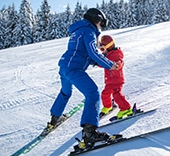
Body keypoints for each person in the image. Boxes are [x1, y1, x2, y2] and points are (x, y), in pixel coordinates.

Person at [47, 8, 120, 147]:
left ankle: (54, 119)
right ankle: (89, 133)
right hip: (74, 69)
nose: (100, 27)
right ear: (97, 20)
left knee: (65, 92)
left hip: (65, 67)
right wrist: (109, 64)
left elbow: (83, 53)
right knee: (92, 93)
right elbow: (92, 52)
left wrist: (99, 63)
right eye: (101, 24)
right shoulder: (88, 31)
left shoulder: (79, 30)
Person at [98, 35, 133, 119]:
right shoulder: (107, 54)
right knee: (105, 94)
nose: (102, 51)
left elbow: (120, 62)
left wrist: (117, 65)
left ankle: (126, 109)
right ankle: (108, 106)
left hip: (117, 80)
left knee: (116, 95)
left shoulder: (116, 54)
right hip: (109, 80)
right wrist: (97, 63)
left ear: (108, 47)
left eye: (102, 49)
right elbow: (104, 63)